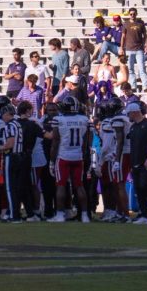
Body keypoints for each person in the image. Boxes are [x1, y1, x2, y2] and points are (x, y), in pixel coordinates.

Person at [49, 93, 91, 223]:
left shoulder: (59, 119)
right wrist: (83, 155)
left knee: (61, 185)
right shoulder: (84, 119)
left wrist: (51, 161)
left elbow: (55, 141)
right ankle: (84, 215)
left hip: (63, 156)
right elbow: (86, 141)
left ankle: (60, 215)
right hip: (78, 156)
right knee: (79, 186)